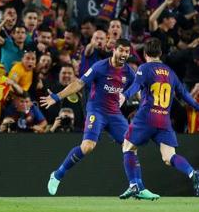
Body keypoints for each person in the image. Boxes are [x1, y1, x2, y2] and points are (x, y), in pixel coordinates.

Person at [118, 38, 199, 200]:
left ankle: (134, 184)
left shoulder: (144, 68)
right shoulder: (170, 72)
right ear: (160, 54)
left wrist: (124, 96)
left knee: (128, 147)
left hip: (146, 116)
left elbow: (136, 85)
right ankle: (191, 172)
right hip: (164, 119)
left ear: (145, 54)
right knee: (169, 156)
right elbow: (184, 94)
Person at [40, 38, 134, 195]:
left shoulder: (128, 72)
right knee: (88, 146)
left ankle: (135, 185)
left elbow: (136, 86)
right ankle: (57, 175)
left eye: (127, 51)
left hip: (114, 114)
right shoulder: (100, 67)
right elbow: (79, 83)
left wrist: (127, 95)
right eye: (121, 50)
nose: (124, 54)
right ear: (114, 50)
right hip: (96, 110)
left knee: (131, 145)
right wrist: (57, 97)